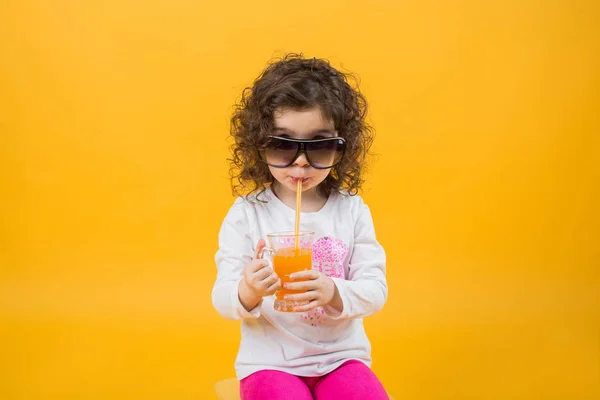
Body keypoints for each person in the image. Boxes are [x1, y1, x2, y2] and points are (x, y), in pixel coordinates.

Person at [212, 53, 388, 399]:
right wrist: (248, 290)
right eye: (282, 144)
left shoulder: (351, 211)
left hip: (341, 358)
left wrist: (335, 292)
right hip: (269, 363)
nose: (302, 162)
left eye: (320, 146)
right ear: (258, 143)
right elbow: (222, 297)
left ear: (342, 146)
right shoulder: (247, 213)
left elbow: (375, 289)